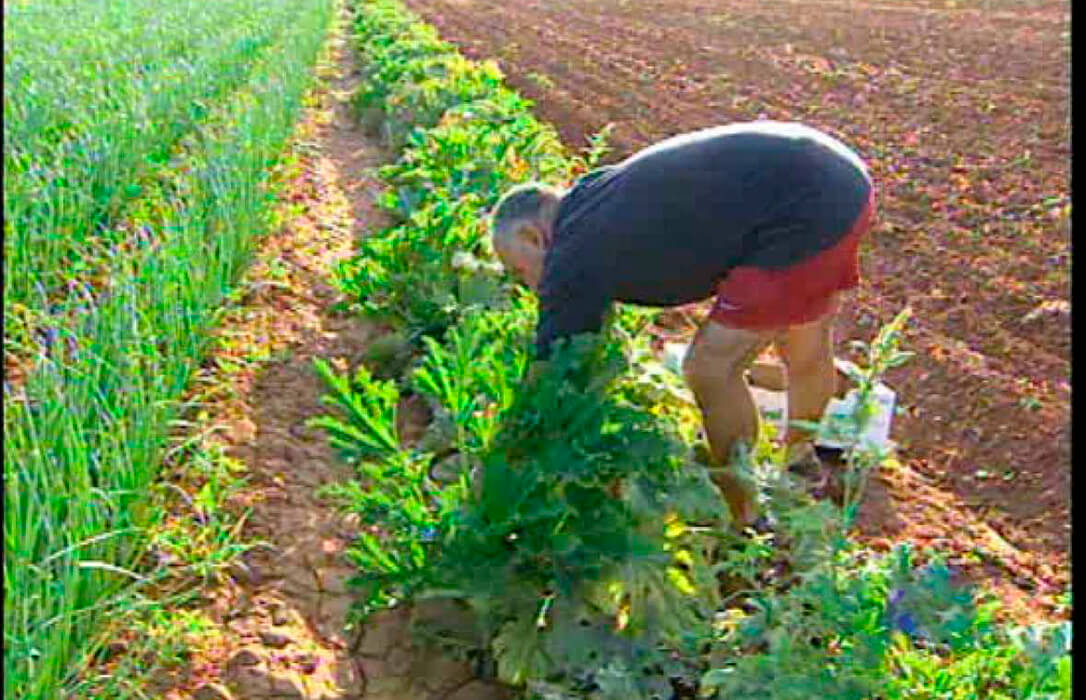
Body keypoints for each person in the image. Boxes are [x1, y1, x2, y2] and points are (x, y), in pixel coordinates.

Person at [488, 121, 876, 527]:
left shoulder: (571, 252)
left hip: (800, 213)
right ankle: (799, 462)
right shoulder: (591, 198)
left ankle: (744, 512)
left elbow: (553, 370)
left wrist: (504, 447)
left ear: (533, 236)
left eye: (519, 271)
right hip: (837, 179)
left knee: (709, 369)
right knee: (803, 343)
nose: (531, 287)